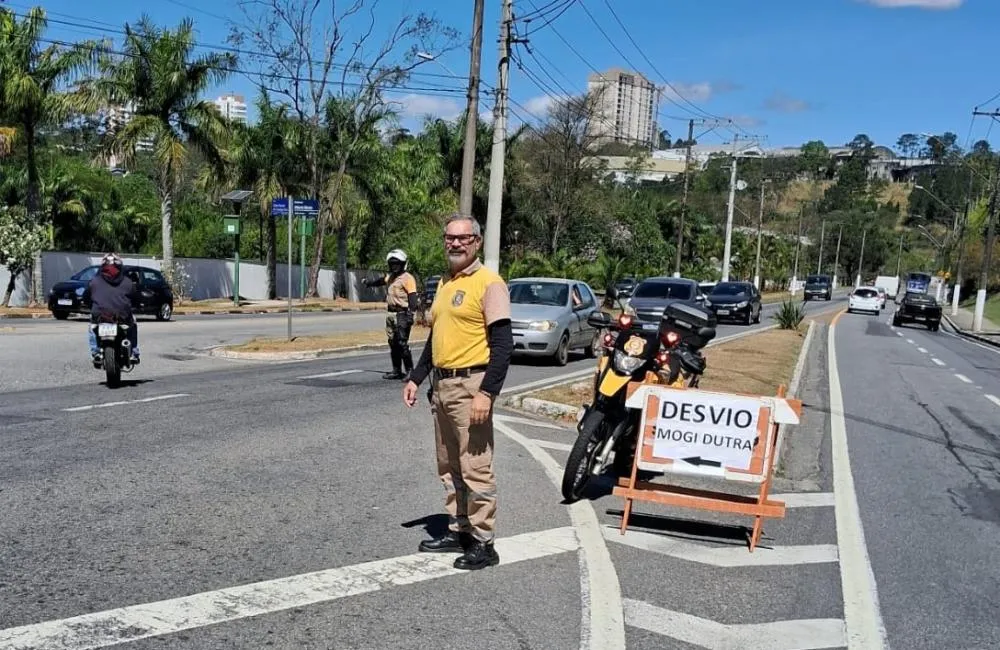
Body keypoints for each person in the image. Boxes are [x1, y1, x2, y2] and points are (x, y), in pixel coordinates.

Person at [402, 214, 513, 571]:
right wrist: (416, 377)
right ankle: (458, 528)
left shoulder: (489, 283)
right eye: (450, 237)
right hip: (442, 386)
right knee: (449, 466)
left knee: (475, 467)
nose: (455, 243)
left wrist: (487, 393)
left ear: (477, 242)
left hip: (471, 387)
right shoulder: (445, 283)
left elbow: (503, 344)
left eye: (463, 238)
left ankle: (484, 542)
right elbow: (436, 338)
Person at [363, 249, 419, 380]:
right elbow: (381, 281)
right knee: (393, 343)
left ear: (403, 264)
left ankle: (410, 371)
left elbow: (413, 298)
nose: (394, 266)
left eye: (397, 264)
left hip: (402, 314)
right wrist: (368, 283)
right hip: (391, 313)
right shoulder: (391, 277)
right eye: (392, 264)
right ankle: (396, 370)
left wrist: (411, 314)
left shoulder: (408, 278)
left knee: (402, 343)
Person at [88, 253, 139, 367]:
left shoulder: (94, 281)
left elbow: (87, 297)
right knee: (133, 323)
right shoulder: (128, 282)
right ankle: (134, 352)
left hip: (100, 316)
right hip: (122, 317)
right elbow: (135, 298)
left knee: (91, 326)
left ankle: (96, 351)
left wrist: (92, 306)